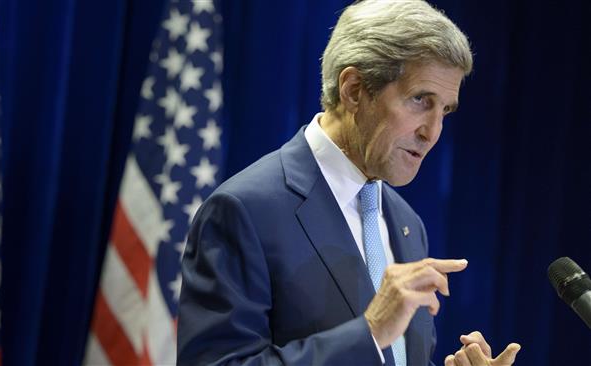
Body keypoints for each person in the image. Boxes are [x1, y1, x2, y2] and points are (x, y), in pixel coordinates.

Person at [177, 0, 521, 365]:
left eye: (445, 111)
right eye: (420, 100)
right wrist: (369, 332)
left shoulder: (406, 224)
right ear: (354, 89)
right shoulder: (244, 210)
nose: (432, 132)